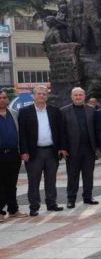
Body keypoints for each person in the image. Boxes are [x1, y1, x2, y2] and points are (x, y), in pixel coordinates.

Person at [18, 85, 66, 216]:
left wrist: (62, 148)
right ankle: (34, 206)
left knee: (51, 179)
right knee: (34, 181)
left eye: (44, 94)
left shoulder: (55, 111)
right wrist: (24, 151)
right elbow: (22, 134)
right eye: (39, 94)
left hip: (51, 151)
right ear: (33, 96)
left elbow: (61, 131)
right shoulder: (24, 112)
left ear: (47, 96)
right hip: (34, 152)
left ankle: (52, 203)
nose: (41, 96)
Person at [60, 87, 99, 208]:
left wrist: (97, 147)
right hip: (72, 150)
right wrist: (63, 148)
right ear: (71, 97)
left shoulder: (91, 110)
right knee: (72, 176)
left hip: (89, 149)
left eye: (80, 95)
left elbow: (96, 129)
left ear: (84, 96)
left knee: (88, 175)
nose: (78, 97)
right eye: (75, 95)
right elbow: (61, 132)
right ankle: (71, 199)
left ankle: (88, 197)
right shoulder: (64, 111)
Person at [0, 89, 27, 219]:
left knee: (12, 184)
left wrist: (22, 151)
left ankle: (13, 209)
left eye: (4, 97)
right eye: (0, 98)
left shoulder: (14, 113)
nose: (2, 100)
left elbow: (21, 134)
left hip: (13, 154)